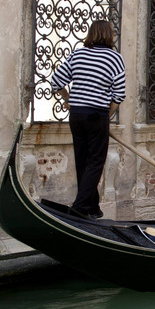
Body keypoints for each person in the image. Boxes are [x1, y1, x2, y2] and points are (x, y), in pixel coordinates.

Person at [51, 20, 126, 219]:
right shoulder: (114, 58)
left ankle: (93, 207)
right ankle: (80, 207)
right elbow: (119, 94)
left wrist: (70, 100)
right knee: (95, 162)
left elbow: (56, 81)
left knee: (82, 160)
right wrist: (107, 116)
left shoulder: (78, 54)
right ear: (109, 35)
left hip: (76, 115)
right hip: (96, 115)